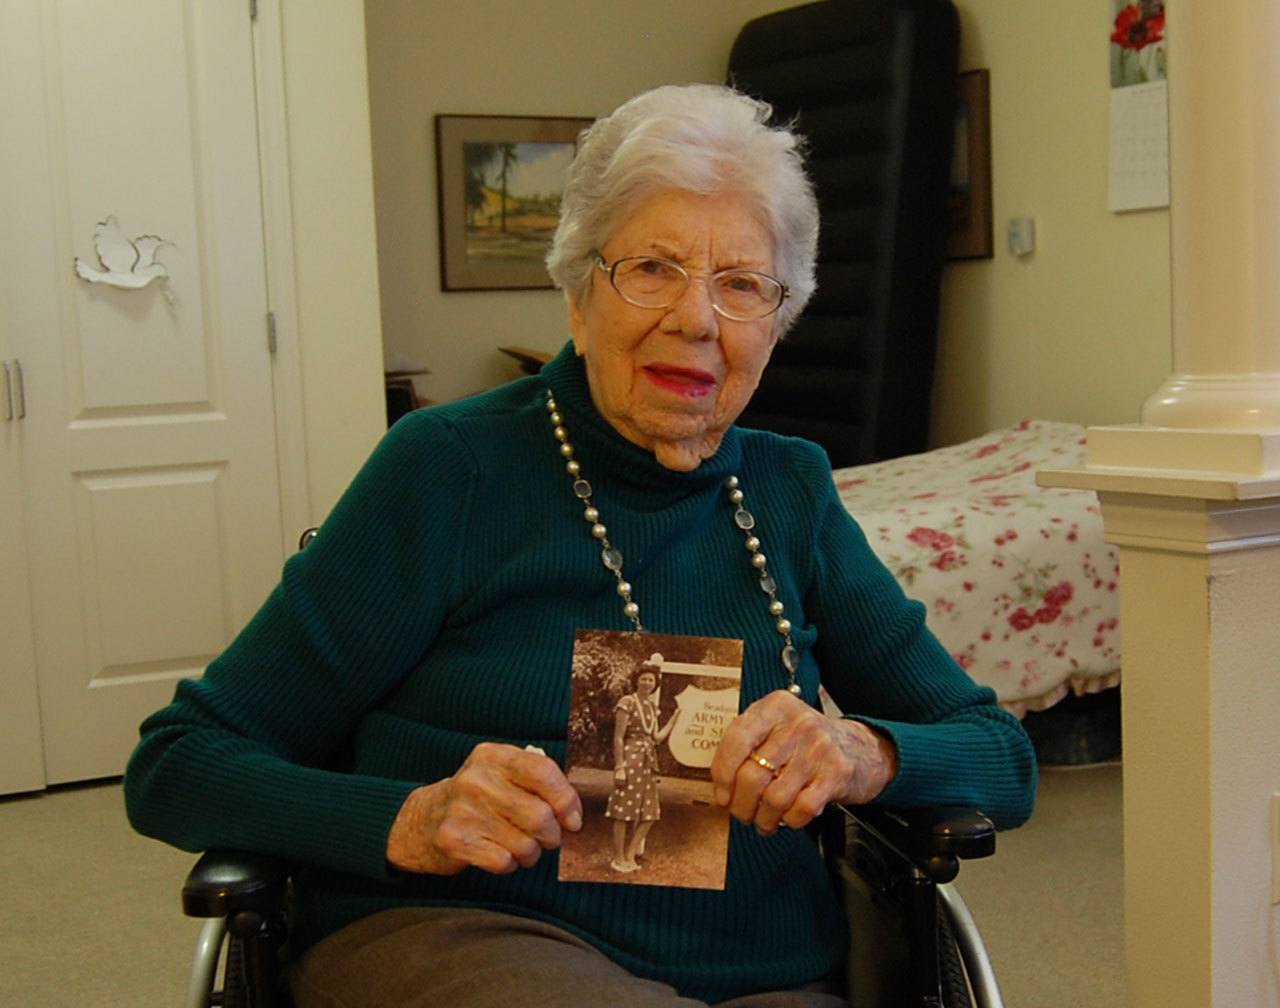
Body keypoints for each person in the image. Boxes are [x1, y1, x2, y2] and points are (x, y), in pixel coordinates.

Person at [125, 83, 1036, 1008]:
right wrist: (409, 817)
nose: (697, 320)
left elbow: (999, 755)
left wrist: (859, 754)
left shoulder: (789, 489)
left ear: (778, 320)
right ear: (577, 295)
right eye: (652, 268)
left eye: (742, 285)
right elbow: (182, 762)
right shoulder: (451, 469)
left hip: (765, 970)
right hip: (471, 937)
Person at [605, 653, 681, 873]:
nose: (647, 682)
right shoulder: (627, 702)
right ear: (637, 680)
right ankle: (618, 858)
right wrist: (619, 766)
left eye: (651, 680)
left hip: (647, 763)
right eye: (644, 678)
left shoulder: (650, 707)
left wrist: (675, 718)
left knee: (649, 813)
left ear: (655, 684)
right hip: (630, 759)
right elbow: (618, 736)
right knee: (623, 811)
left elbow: (656, 738)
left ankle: (630, 855)